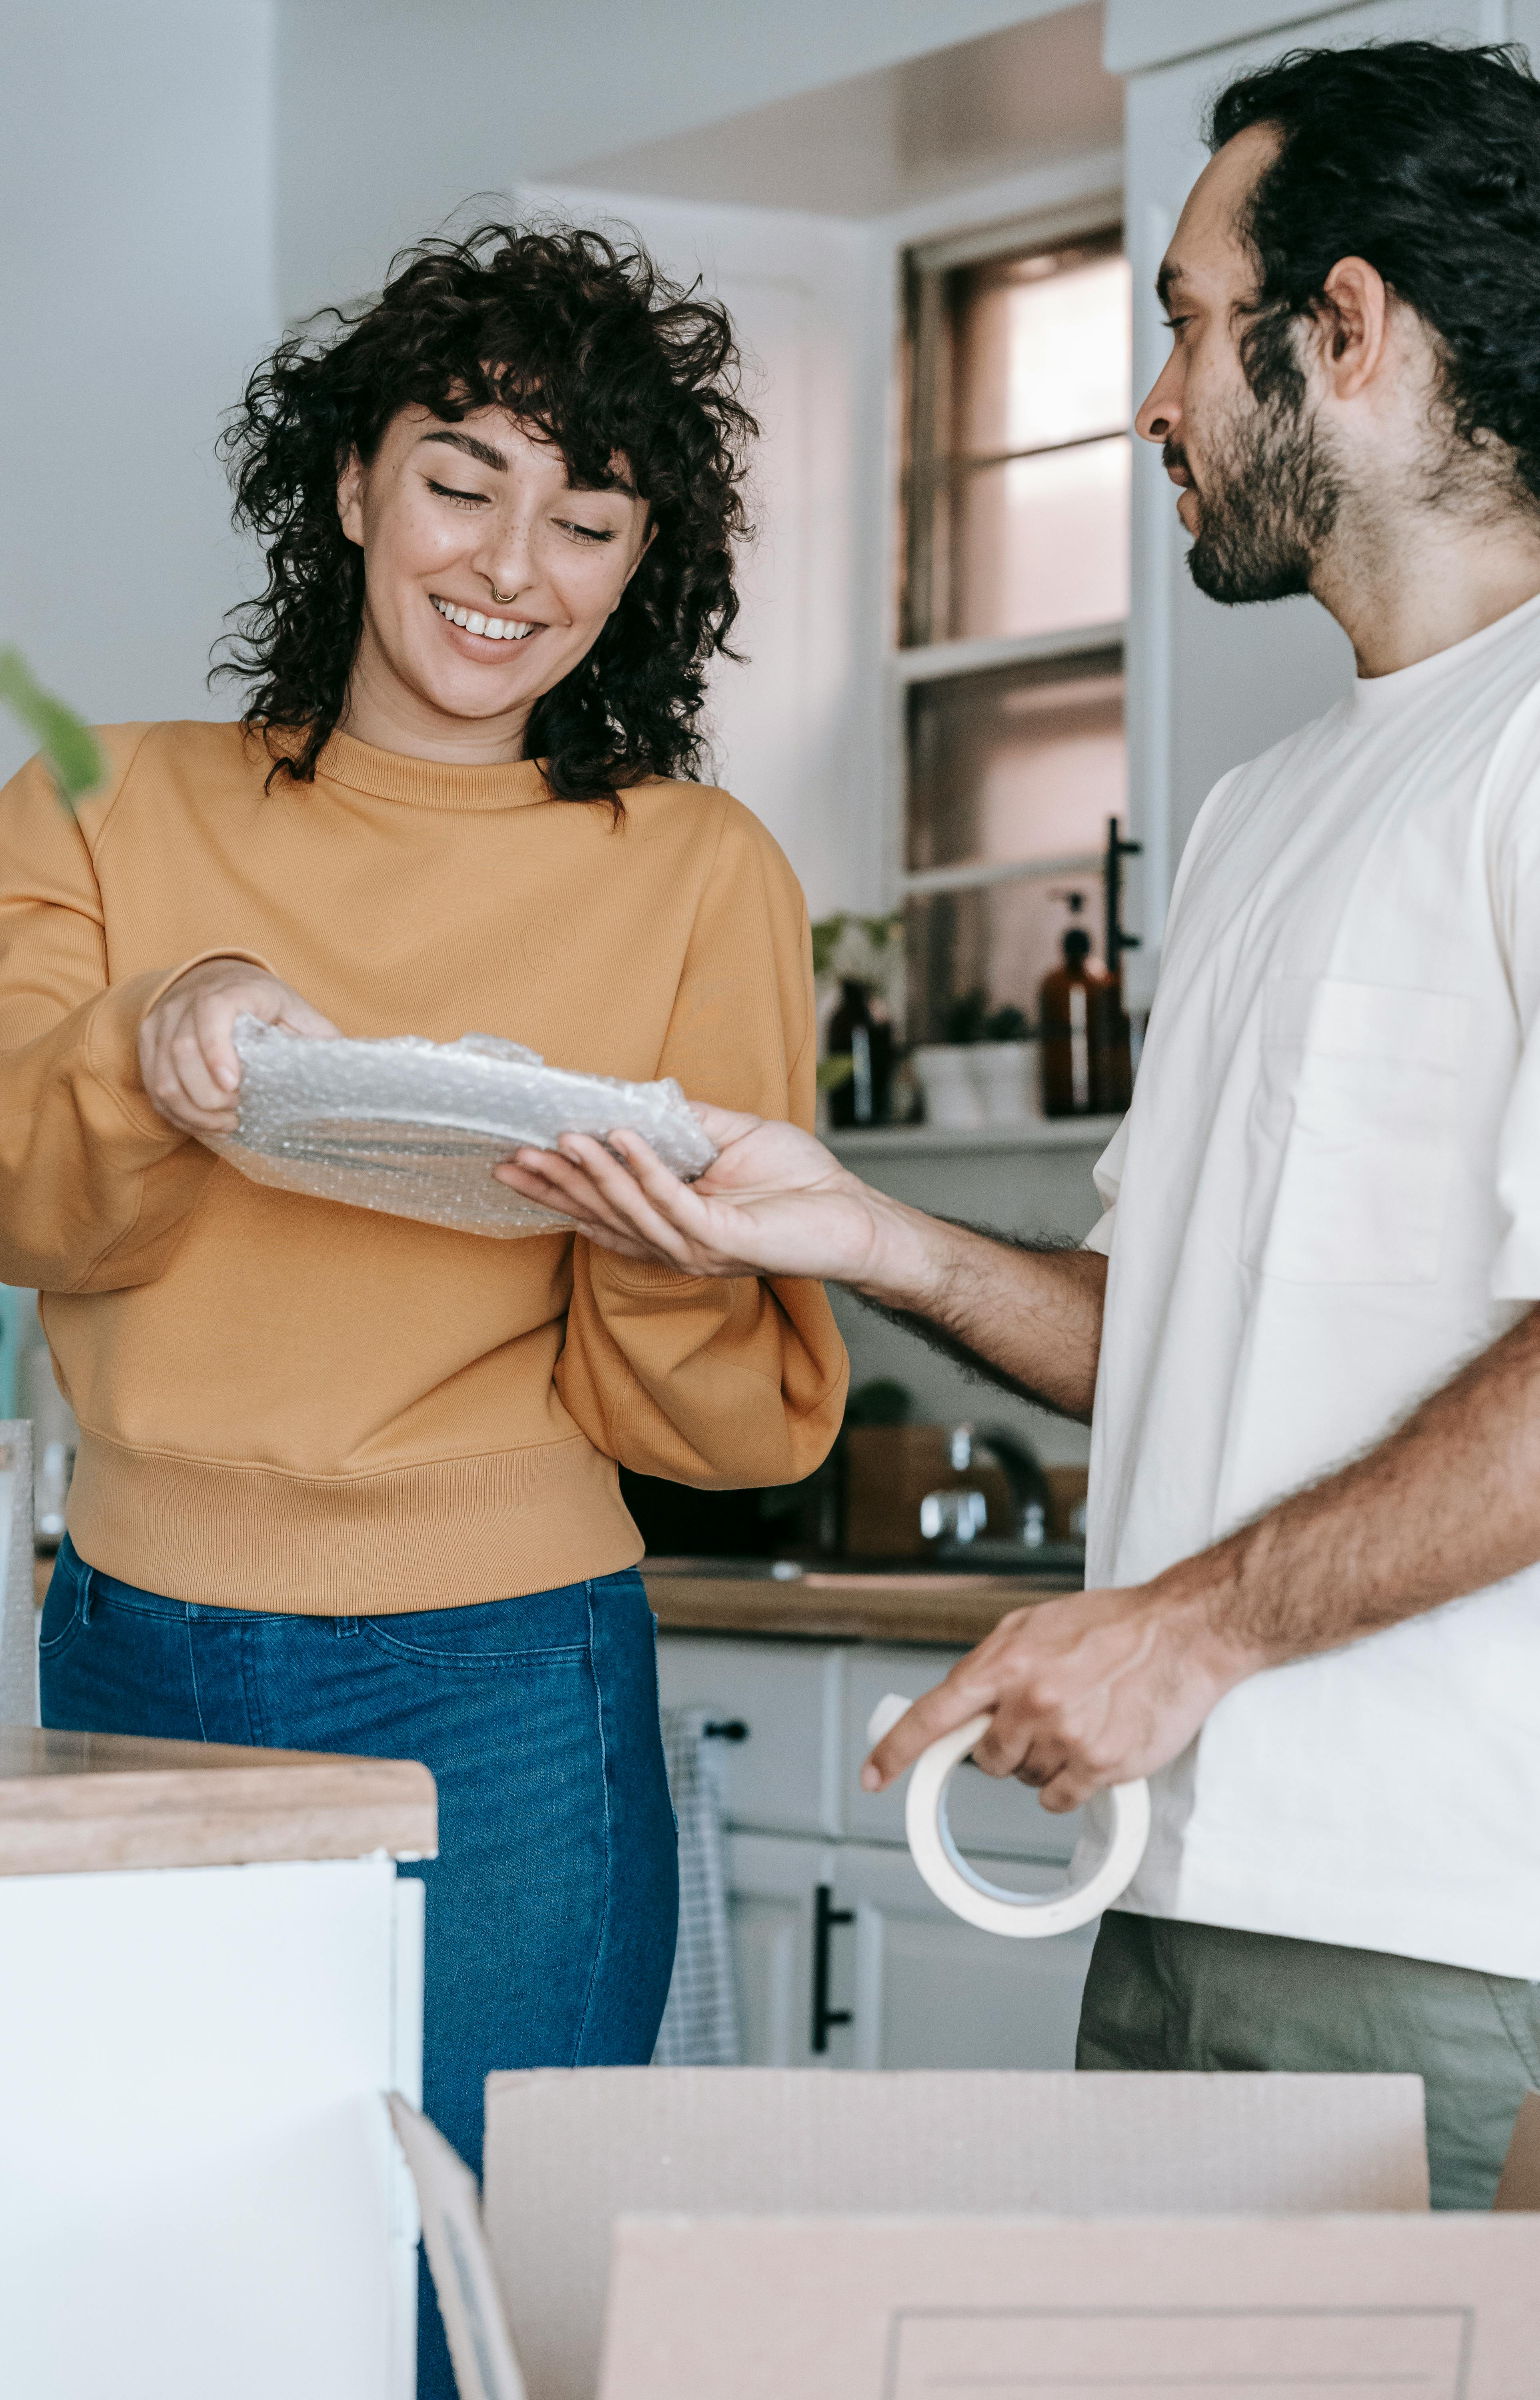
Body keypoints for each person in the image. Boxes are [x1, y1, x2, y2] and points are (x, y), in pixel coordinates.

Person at [497, 43, 1540, 2207]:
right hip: (1181, 1874)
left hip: (1446, 1909)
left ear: (1350, 328)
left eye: (1190, 323)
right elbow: (1190, 1331)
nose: (1157, 400)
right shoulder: (1271, 808)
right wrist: (864, 1239)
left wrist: (1179, 1631)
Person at [1, 221, 845, 2396]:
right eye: (463, 478)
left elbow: (743, 1431)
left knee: (459, 2329)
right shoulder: (109, 800)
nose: (516, 566)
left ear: (641, 563)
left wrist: (666, 1259)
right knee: (150, 2313)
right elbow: (27, 1211)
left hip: (515, 1689)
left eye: (590, 519)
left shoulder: (702, 871)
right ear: (353, 482)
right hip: (133, 1650)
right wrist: (156, 1028)